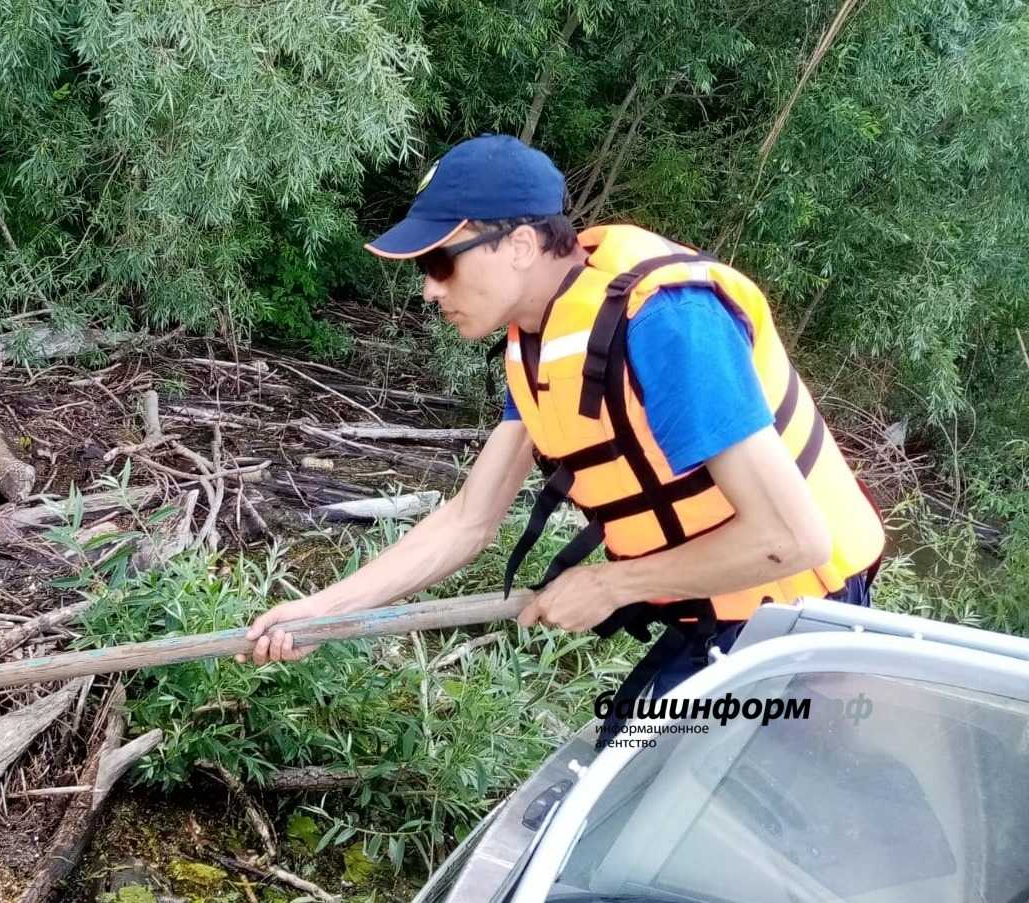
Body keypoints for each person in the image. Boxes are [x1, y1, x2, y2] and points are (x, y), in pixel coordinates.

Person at [240, 134, 885, 747]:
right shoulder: (539, 338)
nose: (430, 287)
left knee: (636, 803)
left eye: (441, 261)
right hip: (716, 610)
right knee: (622, 776)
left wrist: (610, 586)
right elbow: (467, 522)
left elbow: (791, 540)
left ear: (519, 243)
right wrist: (322, 611)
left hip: (797, 615)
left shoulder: (669, 325)